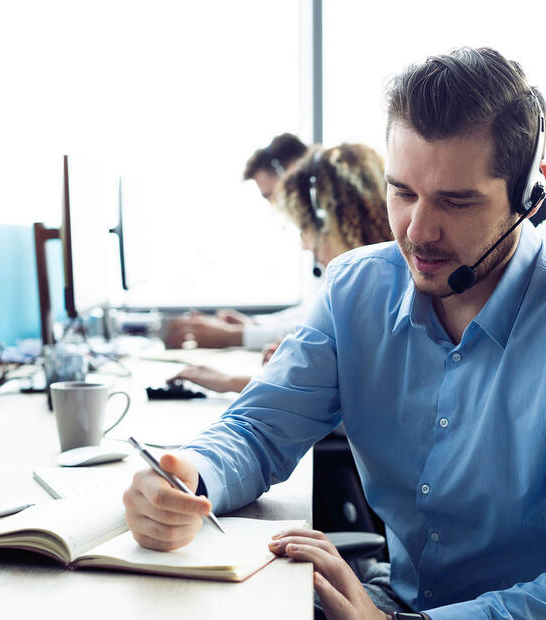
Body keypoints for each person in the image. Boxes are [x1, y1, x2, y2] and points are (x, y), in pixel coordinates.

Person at [123, 47, 546, 620]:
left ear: (530, 193)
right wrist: (190, 477)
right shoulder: (356, 289)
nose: (418, 232)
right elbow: (258, 428)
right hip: (392, 597)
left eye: (456, 200)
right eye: (402, 192)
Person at [169, 143, 392, 393]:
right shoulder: (367, 280)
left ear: (326, 220)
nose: (305, 245)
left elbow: (349, 401)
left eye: (304, 229)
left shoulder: (377, 288)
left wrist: (233, 379)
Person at [163, 133, 312, 351]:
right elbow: (311, 311)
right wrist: (254, 324)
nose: (275, 206)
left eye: (271, 194)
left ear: (292, 175)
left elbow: (318, 330)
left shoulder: (333, 236)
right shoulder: (317, 230)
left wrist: (233, 336)